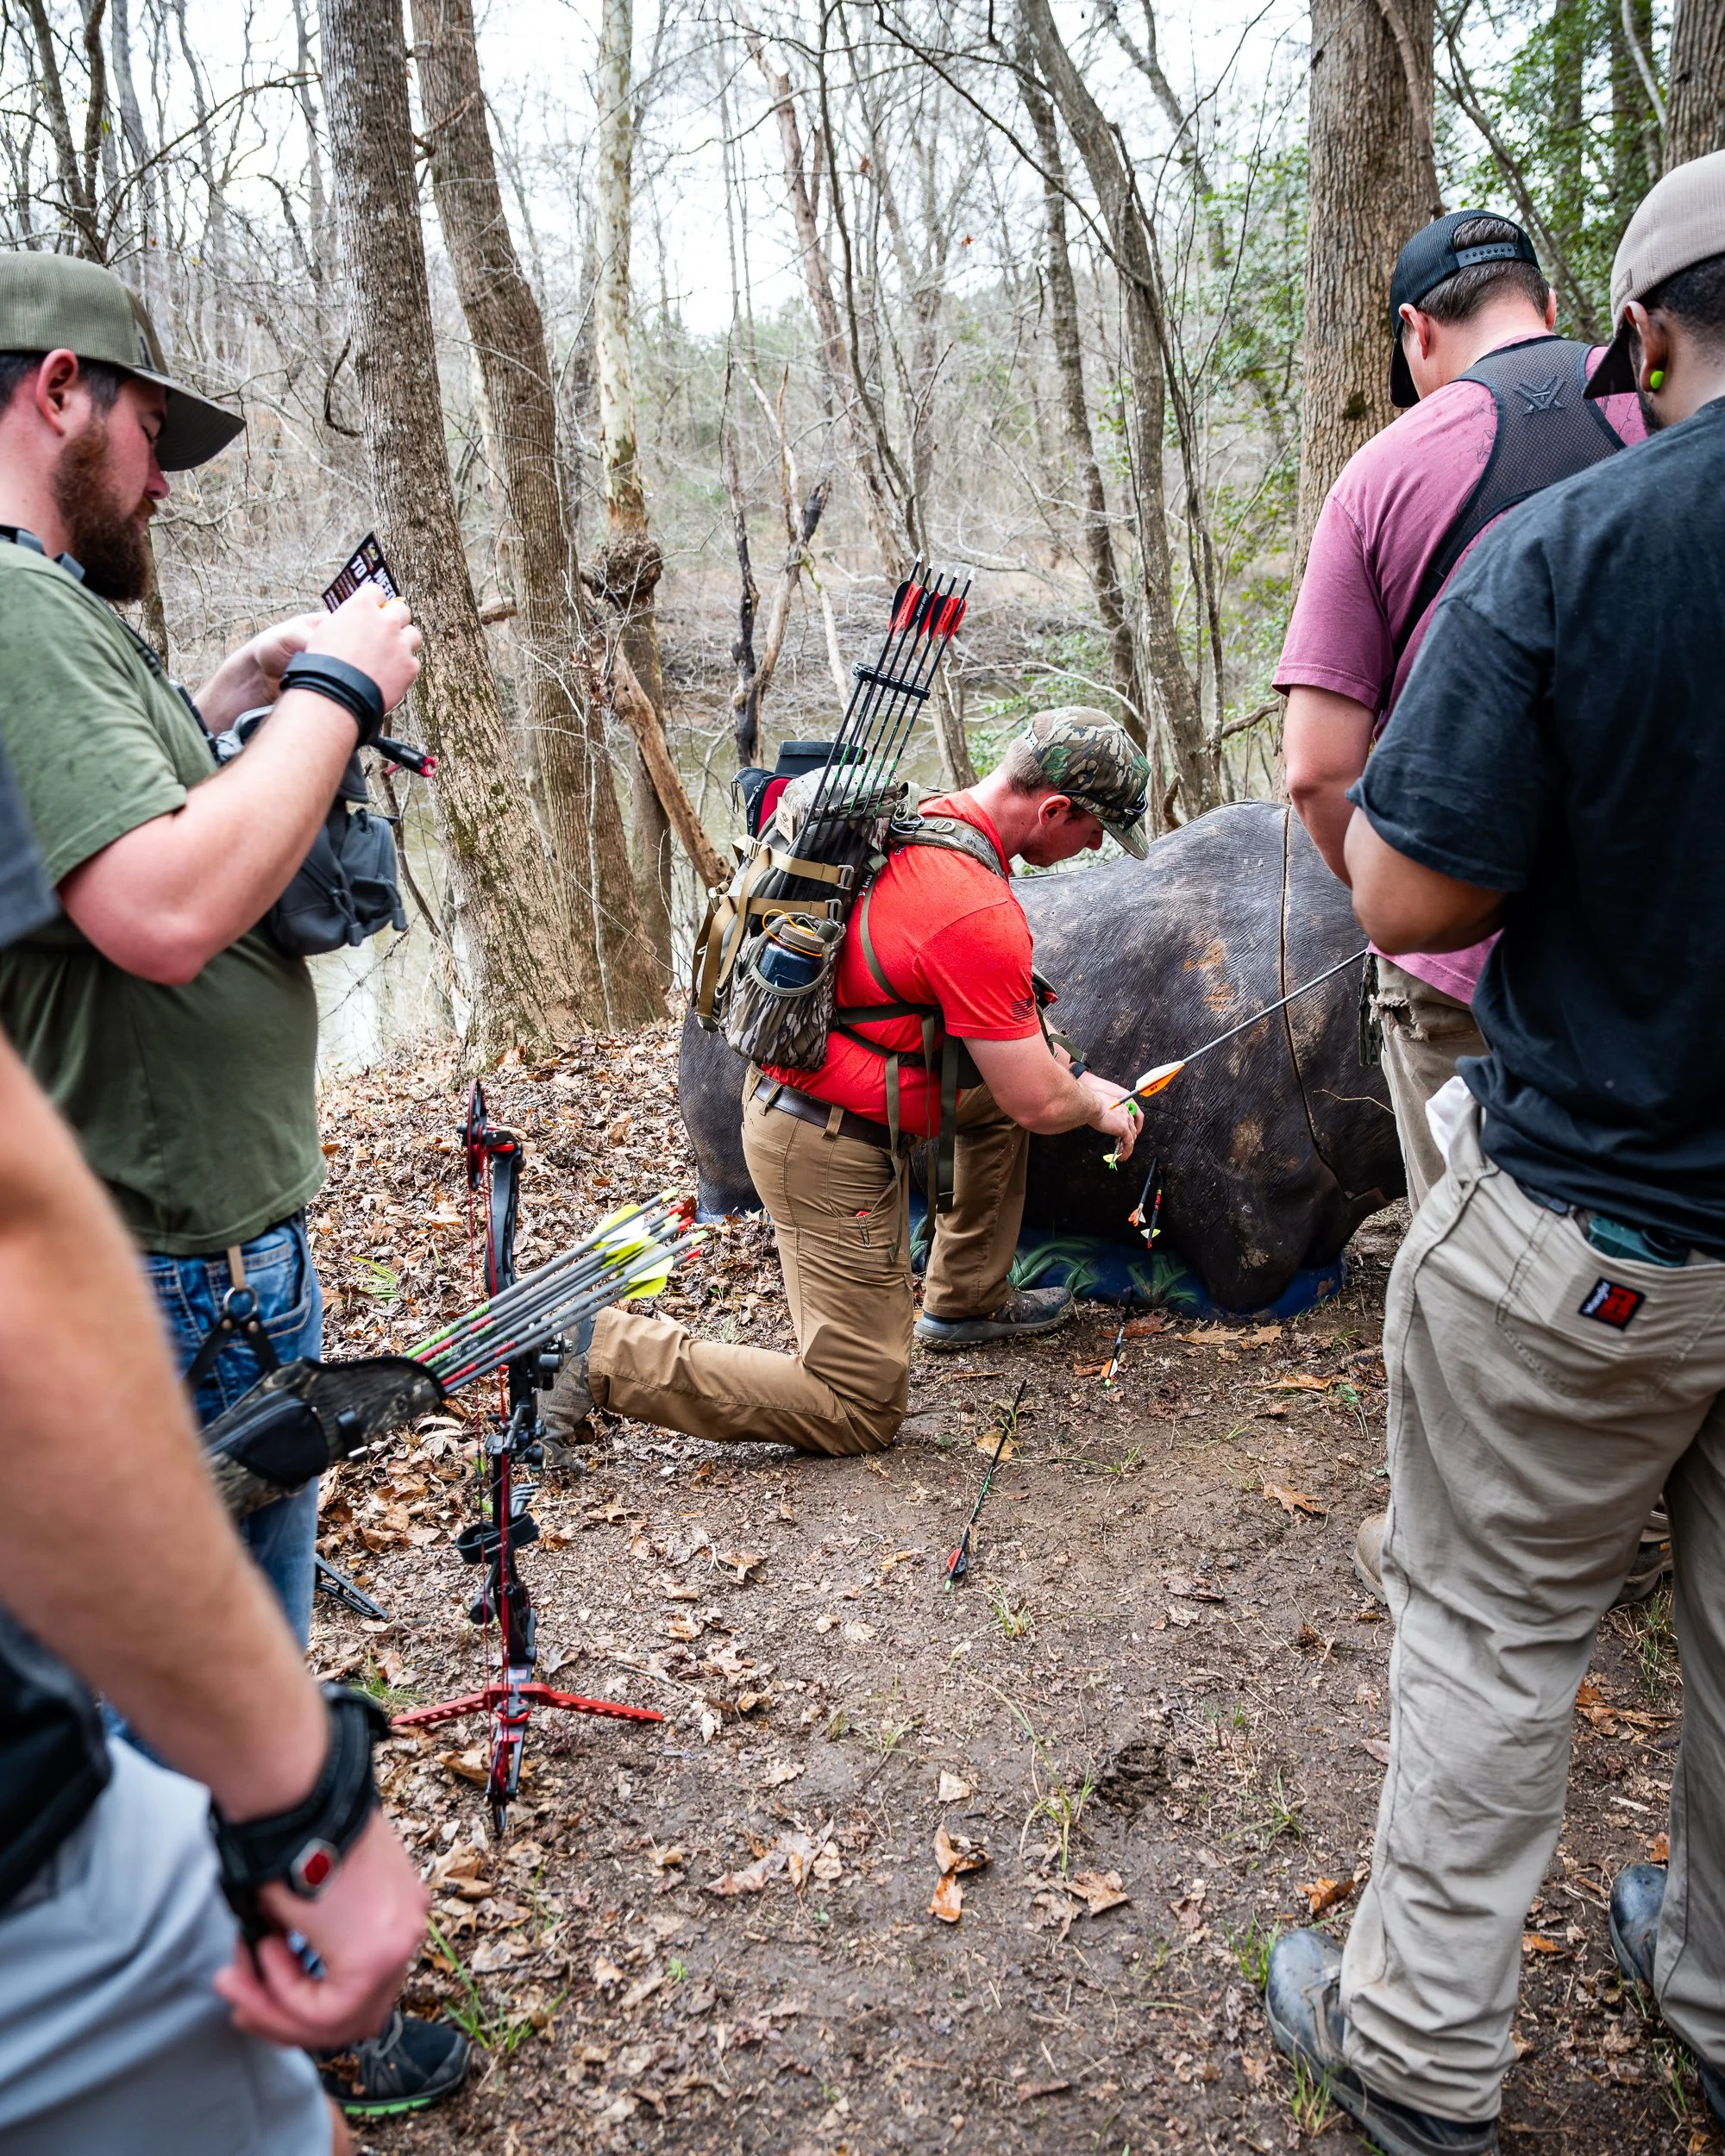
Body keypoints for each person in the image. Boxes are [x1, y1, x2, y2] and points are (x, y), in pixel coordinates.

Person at [1264, 151, 1725, 2156]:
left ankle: (1417, 2052)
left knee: (1491, 1628)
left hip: (1597, 1223)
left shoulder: (1572, 551)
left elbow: (1398, 876)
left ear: (1643, 335)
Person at [0, 251, 466, 2115]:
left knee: (220, 1664)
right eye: (147, 429)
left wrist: (233, 697)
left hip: (198, 1243)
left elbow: (91, 829)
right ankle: (247, 2033)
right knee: (184, 1693)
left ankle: (284, 2003)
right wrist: (342, 689)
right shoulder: (12, 604)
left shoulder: (46, 613)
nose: (163, 480)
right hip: (164, 1259)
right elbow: (164, 904)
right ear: (58, 390)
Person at [0, 737, 430, 2156]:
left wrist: (225, 708)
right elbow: (19, 1264)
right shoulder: (26, 634)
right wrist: (305, 1807)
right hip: (40, 1896)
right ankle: (290, 1996)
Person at [1275, 210, 1659, 1604]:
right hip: (1666, 958)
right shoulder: (1670, 422)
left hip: (1463, 973)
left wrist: (1399, 908)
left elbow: (1318, 769)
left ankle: (1471, 1544)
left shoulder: (1390, 471)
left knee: (1465, 1267)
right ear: (1550, 301)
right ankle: (1638, 1523)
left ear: (1416, 334)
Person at [548, 710, 1148, 1457]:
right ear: (1054, 809)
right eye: (1094, 829)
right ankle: (597, 1353)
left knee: (992, 1103)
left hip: (825, 1096)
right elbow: (1038, 1099)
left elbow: (1003, 1045)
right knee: (857, 1407)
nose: (1095, 847)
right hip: (825, 1145)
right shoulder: (972, 906)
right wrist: (1090, 1103)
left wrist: (1077, 1075)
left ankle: (966, 1297)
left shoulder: (928, 820)